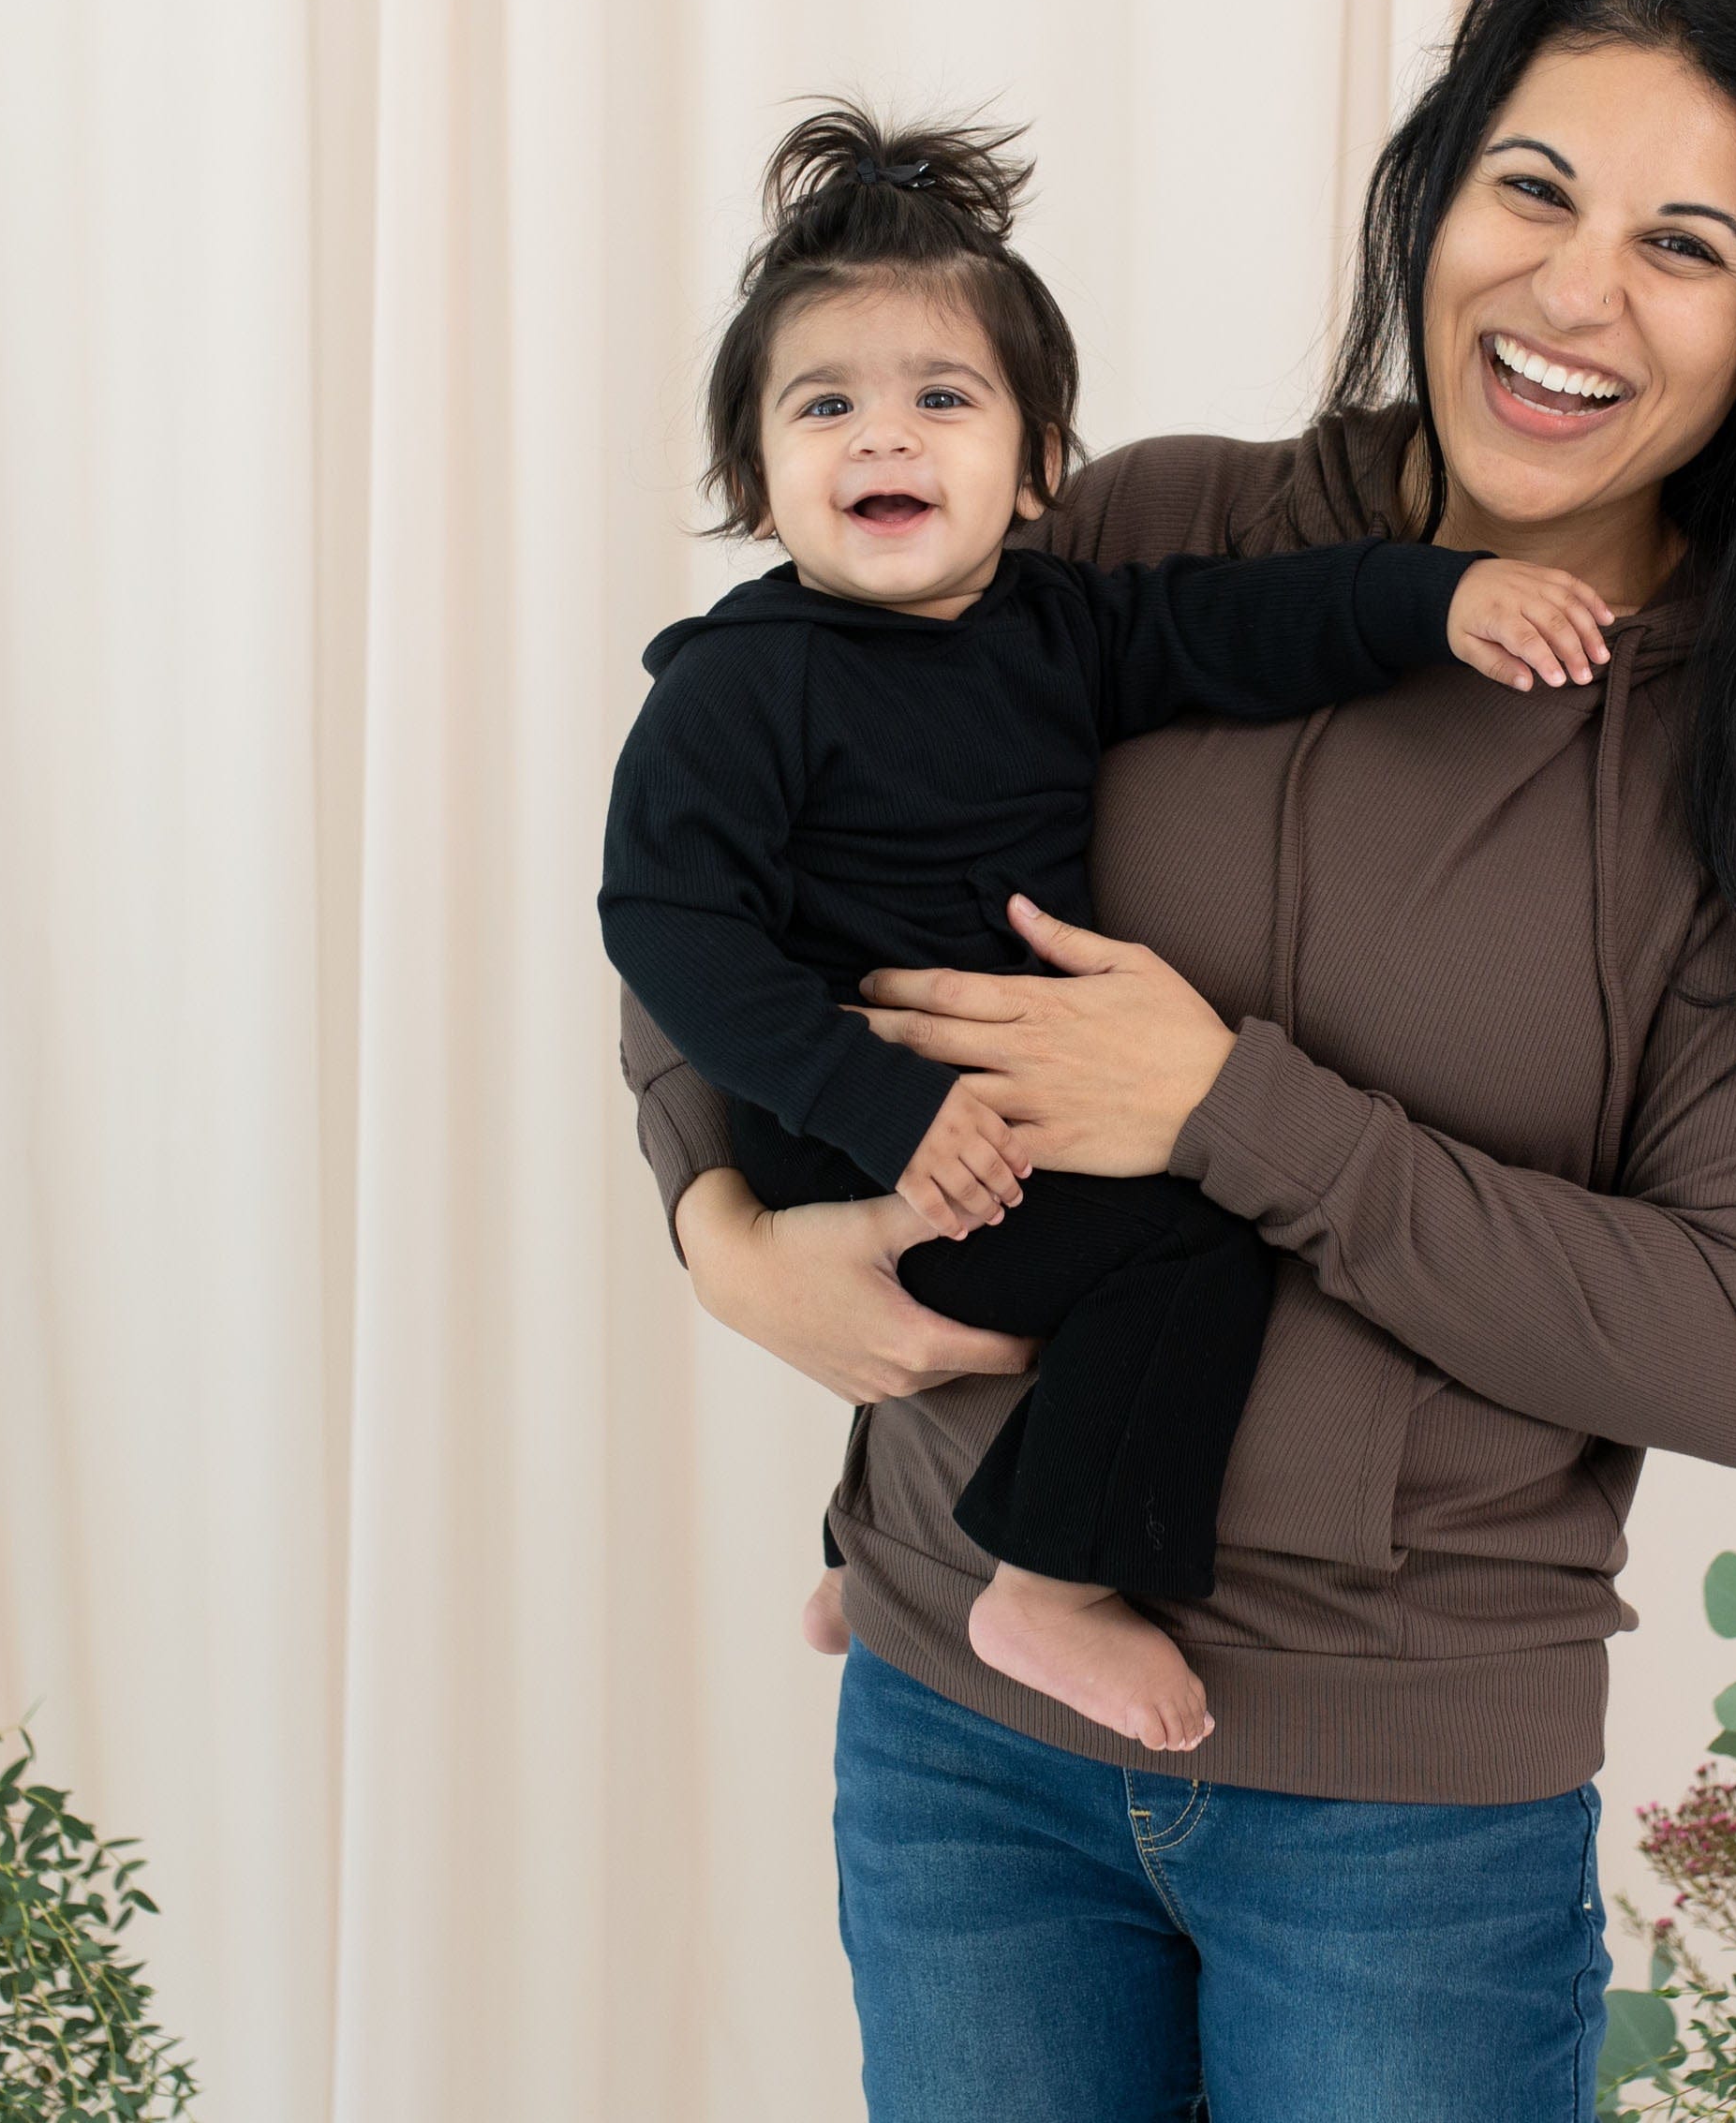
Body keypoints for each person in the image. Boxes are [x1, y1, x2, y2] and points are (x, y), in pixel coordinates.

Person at [617, 0, 1736, 2121]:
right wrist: (721, 1236)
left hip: (1400, 1833)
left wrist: (1221, 1108)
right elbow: (741, 848)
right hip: (957, 1732)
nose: (1575, 294)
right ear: (1435, 197)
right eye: (1534, 190)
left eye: (1685, 246)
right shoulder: (1154, 538)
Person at [601, 105, 1617, 1752]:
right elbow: (666, 928)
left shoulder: (1057, 625)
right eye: (826, 407)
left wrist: (1443, 599)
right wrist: (877, 1111)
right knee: (1186, 1243)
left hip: (993, 1121)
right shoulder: (738, 683)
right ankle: (1051, 1585)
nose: (885, 440)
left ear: (1041, 462)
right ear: (754, 474)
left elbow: (1247, 628)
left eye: (943, 400)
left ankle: (878, 1570)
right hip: (858, 1133)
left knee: (1127, 1236)